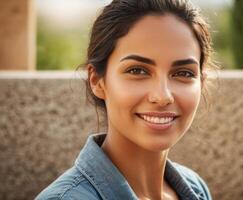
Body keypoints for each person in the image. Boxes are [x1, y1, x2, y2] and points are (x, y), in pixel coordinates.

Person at [36, 0, 214, 199]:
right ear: (97, 81)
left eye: (184, 73)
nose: (163, 96)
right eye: (137, 70)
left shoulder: (196, 188)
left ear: (202, 81)